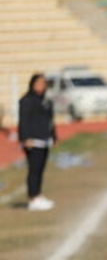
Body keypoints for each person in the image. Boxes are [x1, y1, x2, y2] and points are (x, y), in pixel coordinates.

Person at [18, 74, 57, 212]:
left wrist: (53, 136)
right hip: (32, 141)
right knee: (33, 170)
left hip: (44, 140)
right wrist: (25, 138)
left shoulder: (46, 101)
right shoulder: (26, 100)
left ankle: (38, 195)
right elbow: (23, 121)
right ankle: (33, 198)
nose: (41, 85)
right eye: (39, 82)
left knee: (40, 170)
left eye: (43, 83)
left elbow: (50, 121)